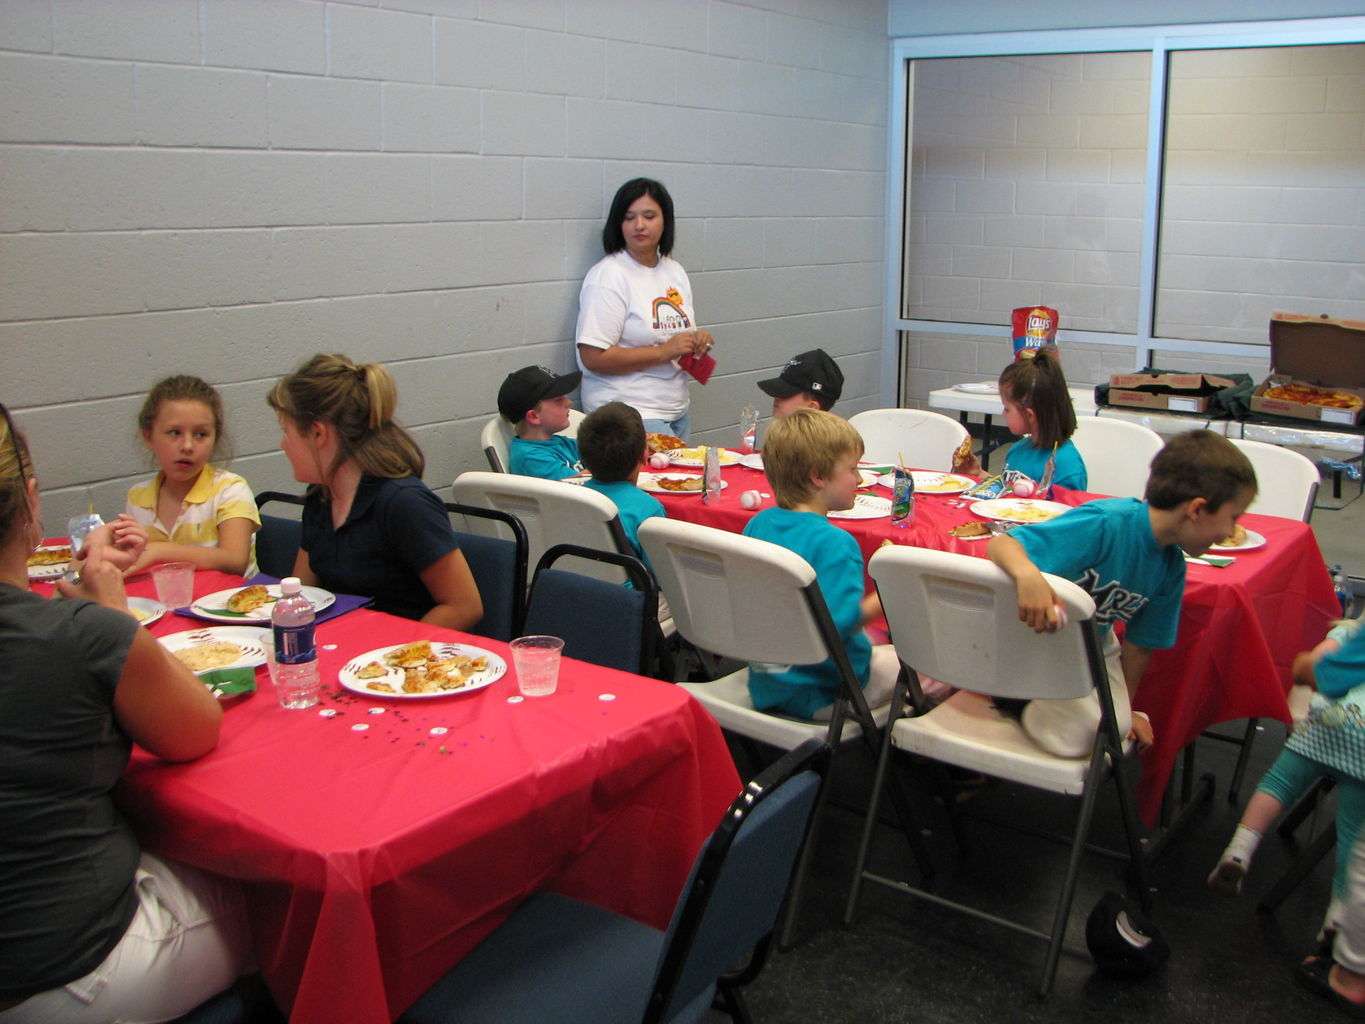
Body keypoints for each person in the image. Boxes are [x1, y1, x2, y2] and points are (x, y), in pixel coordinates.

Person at [0, 402, 251, 1023]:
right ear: (31, 502)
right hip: (66, 972)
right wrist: (109, 617)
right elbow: (196, 730)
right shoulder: (76, 634)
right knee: (275, 888)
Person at [988, 430, 1257, 757]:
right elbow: (1003, 543)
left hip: (1095, 646)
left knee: (1112, 726)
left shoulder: (1172, 567)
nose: (1230, 532)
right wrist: (1027, 574)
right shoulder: (1107, 524)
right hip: (1037, 639)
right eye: (1232, 518)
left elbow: (1140, 647)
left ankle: (1044, 703)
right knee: (1084, 733)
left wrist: (1124, 714)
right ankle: (1018, 702)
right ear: (1197, 509)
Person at [267, 353, 482, 628]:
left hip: (401, 656)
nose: (283, 445)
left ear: (319, 434)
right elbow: (303, 597)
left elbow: (464, 606)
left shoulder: (404, 503)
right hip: (345, 645)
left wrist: (387, 658)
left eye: (287, 432)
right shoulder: (320, 496)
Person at [742, 409, 900, 720]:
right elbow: (837, 626)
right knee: (920, 669)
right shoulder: (836, 543)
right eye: (852, 469)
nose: (858, 478)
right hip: (826, 693)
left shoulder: (757, 525)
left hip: (767, 683)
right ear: (818, 476)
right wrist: (888, 595)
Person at [575, 177, 715, 440]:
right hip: (629, 414)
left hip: (674, 409)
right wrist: (663, 352)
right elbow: (593, 358)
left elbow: (673, 337)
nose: (639, 225)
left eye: (649, 216)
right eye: (629, 218)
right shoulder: (609, 275)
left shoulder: (674, 271)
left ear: (665, 221)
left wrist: (696, 341)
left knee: (686, 479)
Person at [117, 375, 261, 577]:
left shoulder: (231, 489)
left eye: (201, 434)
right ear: (149, 437)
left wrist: (160, 551)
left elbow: (235, 560)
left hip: (232, 603)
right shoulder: (137, 497)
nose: (187, 446)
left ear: (215, 439)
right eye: (174, 432)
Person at [956, 346, 1086, 490]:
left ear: (1030, 415)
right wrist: (978, 473)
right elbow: (1007, 490)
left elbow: (1071, 511)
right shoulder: (1018, 449)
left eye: (1007, 408)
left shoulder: (1066, 467)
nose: (1003, 413)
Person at [576, 401, 666, 567]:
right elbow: (661, 575)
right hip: (629, 592)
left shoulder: (573, 499)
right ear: (644, 455)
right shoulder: (648, 509)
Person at [498, 365, 583, 480]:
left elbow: (602, 453)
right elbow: (584, 489)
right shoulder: (531, 459)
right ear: (533, 417)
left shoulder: (559, 442)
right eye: (558, 400)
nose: (569, 402)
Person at [758, 348, 845, 419]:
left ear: (811, 409)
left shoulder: (825, 441)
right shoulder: (784, 439)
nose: (776, 398)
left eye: (785, 394)